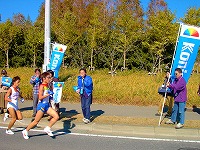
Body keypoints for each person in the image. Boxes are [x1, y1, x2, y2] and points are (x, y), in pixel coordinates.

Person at [22, 72, 59, 139]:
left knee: (56, 116)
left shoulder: (47, 85)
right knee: (36, 121)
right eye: (48, 77)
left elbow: (49, 94)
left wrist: (51, 96)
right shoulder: (42, 86)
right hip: (42, 105)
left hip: (47, 105)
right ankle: (25, 130)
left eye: (50, 77)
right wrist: (47, 95)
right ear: (44, 78)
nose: (49, 79)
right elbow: (40, 97)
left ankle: (47, 128)